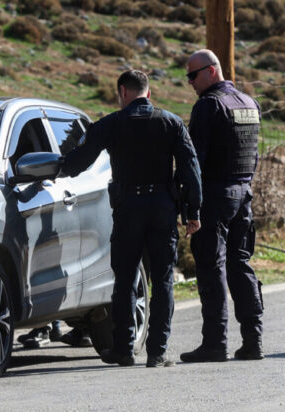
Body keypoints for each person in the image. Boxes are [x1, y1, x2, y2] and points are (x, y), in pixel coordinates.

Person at [61, 70, 202, 367]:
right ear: (148, 93)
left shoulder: (111, 123)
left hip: (128, 209)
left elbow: (79, 162)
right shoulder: (171, 122)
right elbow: (191, 168)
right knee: (163, 280)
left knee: (125, 279)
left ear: (123, 92)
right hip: (163, 207)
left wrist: (58, 166)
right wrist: (193, 211)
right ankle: (157, 351)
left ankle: (124, 349)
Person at [180, 49, 265, 363]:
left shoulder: (209, 105)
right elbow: (253, 155)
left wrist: (189, 205)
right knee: (240, 264)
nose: (190, 82)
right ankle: (253, 340)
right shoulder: (249, 103)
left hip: (215, 197)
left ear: (211, 71)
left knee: (211, 266)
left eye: (193, 75)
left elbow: (194, 161)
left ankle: (215, 342)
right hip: (243, 195)